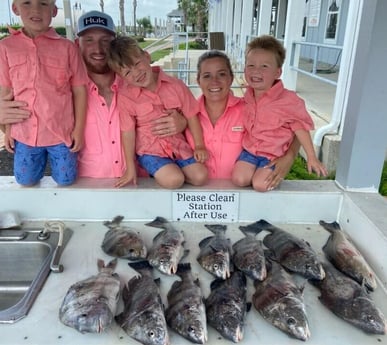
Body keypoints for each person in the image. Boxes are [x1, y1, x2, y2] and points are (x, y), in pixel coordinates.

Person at [0, 10, 185, 180]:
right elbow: (27, 124)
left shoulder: (140, 83)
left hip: (138, 184)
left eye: (106, 40)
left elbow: (189, 114)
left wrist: (182, 123)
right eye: (88, 40)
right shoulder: (60, 92)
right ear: (75, 44)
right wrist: (3, 120)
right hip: (87, 188)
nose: (98, 49)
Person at [0, 0, 88, 186]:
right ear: (15, 8)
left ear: (54, 11)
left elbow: (80, 90)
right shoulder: (6, 47)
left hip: (61, 132)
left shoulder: (68, 48)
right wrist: (8, 130)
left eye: (43, 4)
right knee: (26, 180)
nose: (35, 9)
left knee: (66, 180)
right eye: (27, 3)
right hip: (24, 132)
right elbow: (6, 93)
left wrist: (78, 130)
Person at [186, 49, 300, 189]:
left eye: (221, 74)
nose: (214, 81)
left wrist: (290, 156)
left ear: (231, 78)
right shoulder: (186, 115)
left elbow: (297, 128)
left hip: (242, 198)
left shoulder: (250, 109)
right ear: (198, 80)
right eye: (207, 76)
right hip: (197, 203)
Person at [107, 36, 208, 189]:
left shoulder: (175, 85)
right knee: (174, 180)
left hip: (178, 147)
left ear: (147, 57)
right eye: (127, 73)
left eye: (137, 64)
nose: (136, 73)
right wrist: (130, 167)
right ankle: (160, 172)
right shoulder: (125, 97)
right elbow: (127, 132)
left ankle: (172, 170)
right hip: (150, 151)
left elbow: (191, 114)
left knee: (201, 176)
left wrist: (199, 145)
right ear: (121, 78)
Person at [232, 35, 327, 192]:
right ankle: (257, 174)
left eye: (264, 67)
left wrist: (311, 156)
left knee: (261, 185)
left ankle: (267, 176)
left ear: (277, 72)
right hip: (250, 152)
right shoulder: (248, 94)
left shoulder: (288, 100)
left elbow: (300, 128)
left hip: (273, 156)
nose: (256, 71)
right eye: (251, 66)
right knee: (239, 179)